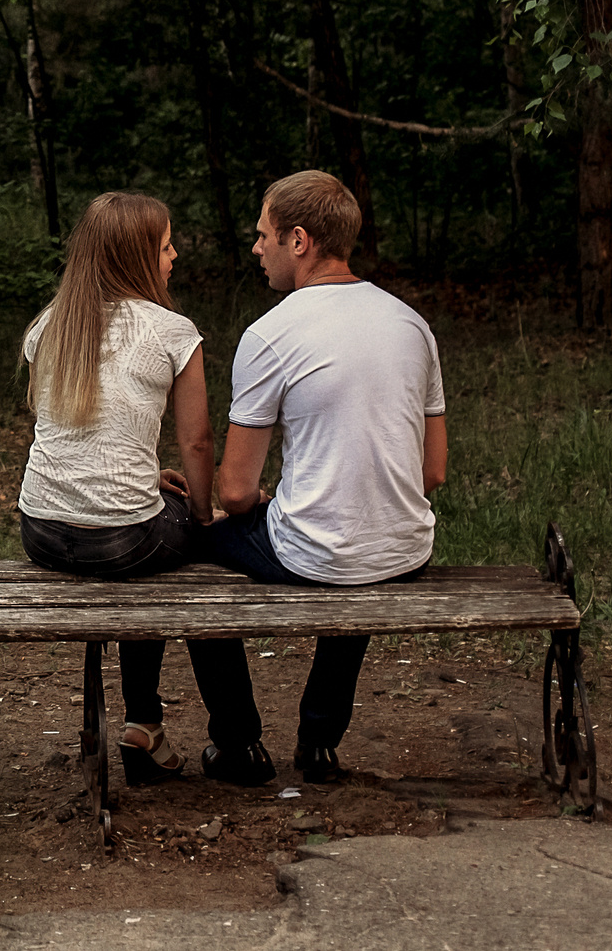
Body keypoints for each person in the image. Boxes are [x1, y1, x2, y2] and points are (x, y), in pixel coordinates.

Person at [17, 191, 274, 788]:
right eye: (164, 247)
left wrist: (142, 479)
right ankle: (236, 740)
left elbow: (64, 429)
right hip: (123, 541)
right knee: (204, 558)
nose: (175, 255)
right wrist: (204, 512)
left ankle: (144, 725)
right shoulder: (172, 331)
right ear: (135, 257)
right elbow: (200, 444)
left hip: (42, 533)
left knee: (154, 549)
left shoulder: (47, 325)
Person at [209, 169, 448, 784]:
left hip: (315, 551)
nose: (256, 248)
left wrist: (253, 500)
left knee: (194, 548)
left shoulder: (271, 334)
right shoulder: (411, 324)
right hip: (405, 548)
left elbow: (234, 493)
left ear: (298, 240)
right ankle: (318, 741)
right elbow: (433, 472)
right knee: (355, 537)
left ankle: (237, 742)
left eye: (262, 236)